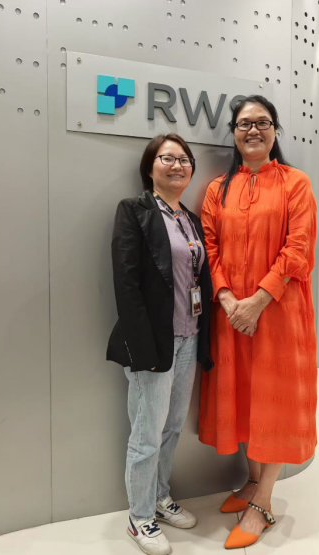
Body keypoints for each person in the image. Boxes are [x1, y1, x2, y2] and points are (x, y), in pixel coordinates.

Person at [198, 96, 318, 549]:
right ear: (233, 132)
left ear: (274, 130)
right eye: (244, 123)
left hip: (279, 313)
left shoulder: (295, 183)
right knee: (246, 399)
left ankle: (264, 502)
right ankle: (251, 481)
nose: (253, 130)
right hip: (231, 315)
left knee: (275, 403)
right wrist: (229, 299)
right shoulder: (217, 190)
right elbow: (208, 248)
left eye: (262, 122)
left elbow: (298, 248)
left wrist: (258, 301)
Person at [107, 133, 213, 555]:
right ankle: (139, 518)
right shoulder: (134, 211)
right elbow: (126, 283)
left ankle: (159, 497)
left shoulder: (190, 219)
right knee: (147, 434)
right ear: (149, 167)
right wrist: (142, 347)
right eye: (167, 158)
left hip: (190, 336)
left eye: (184, 159)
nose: (177, 165)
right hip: (153, 342)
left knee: (171, 427)